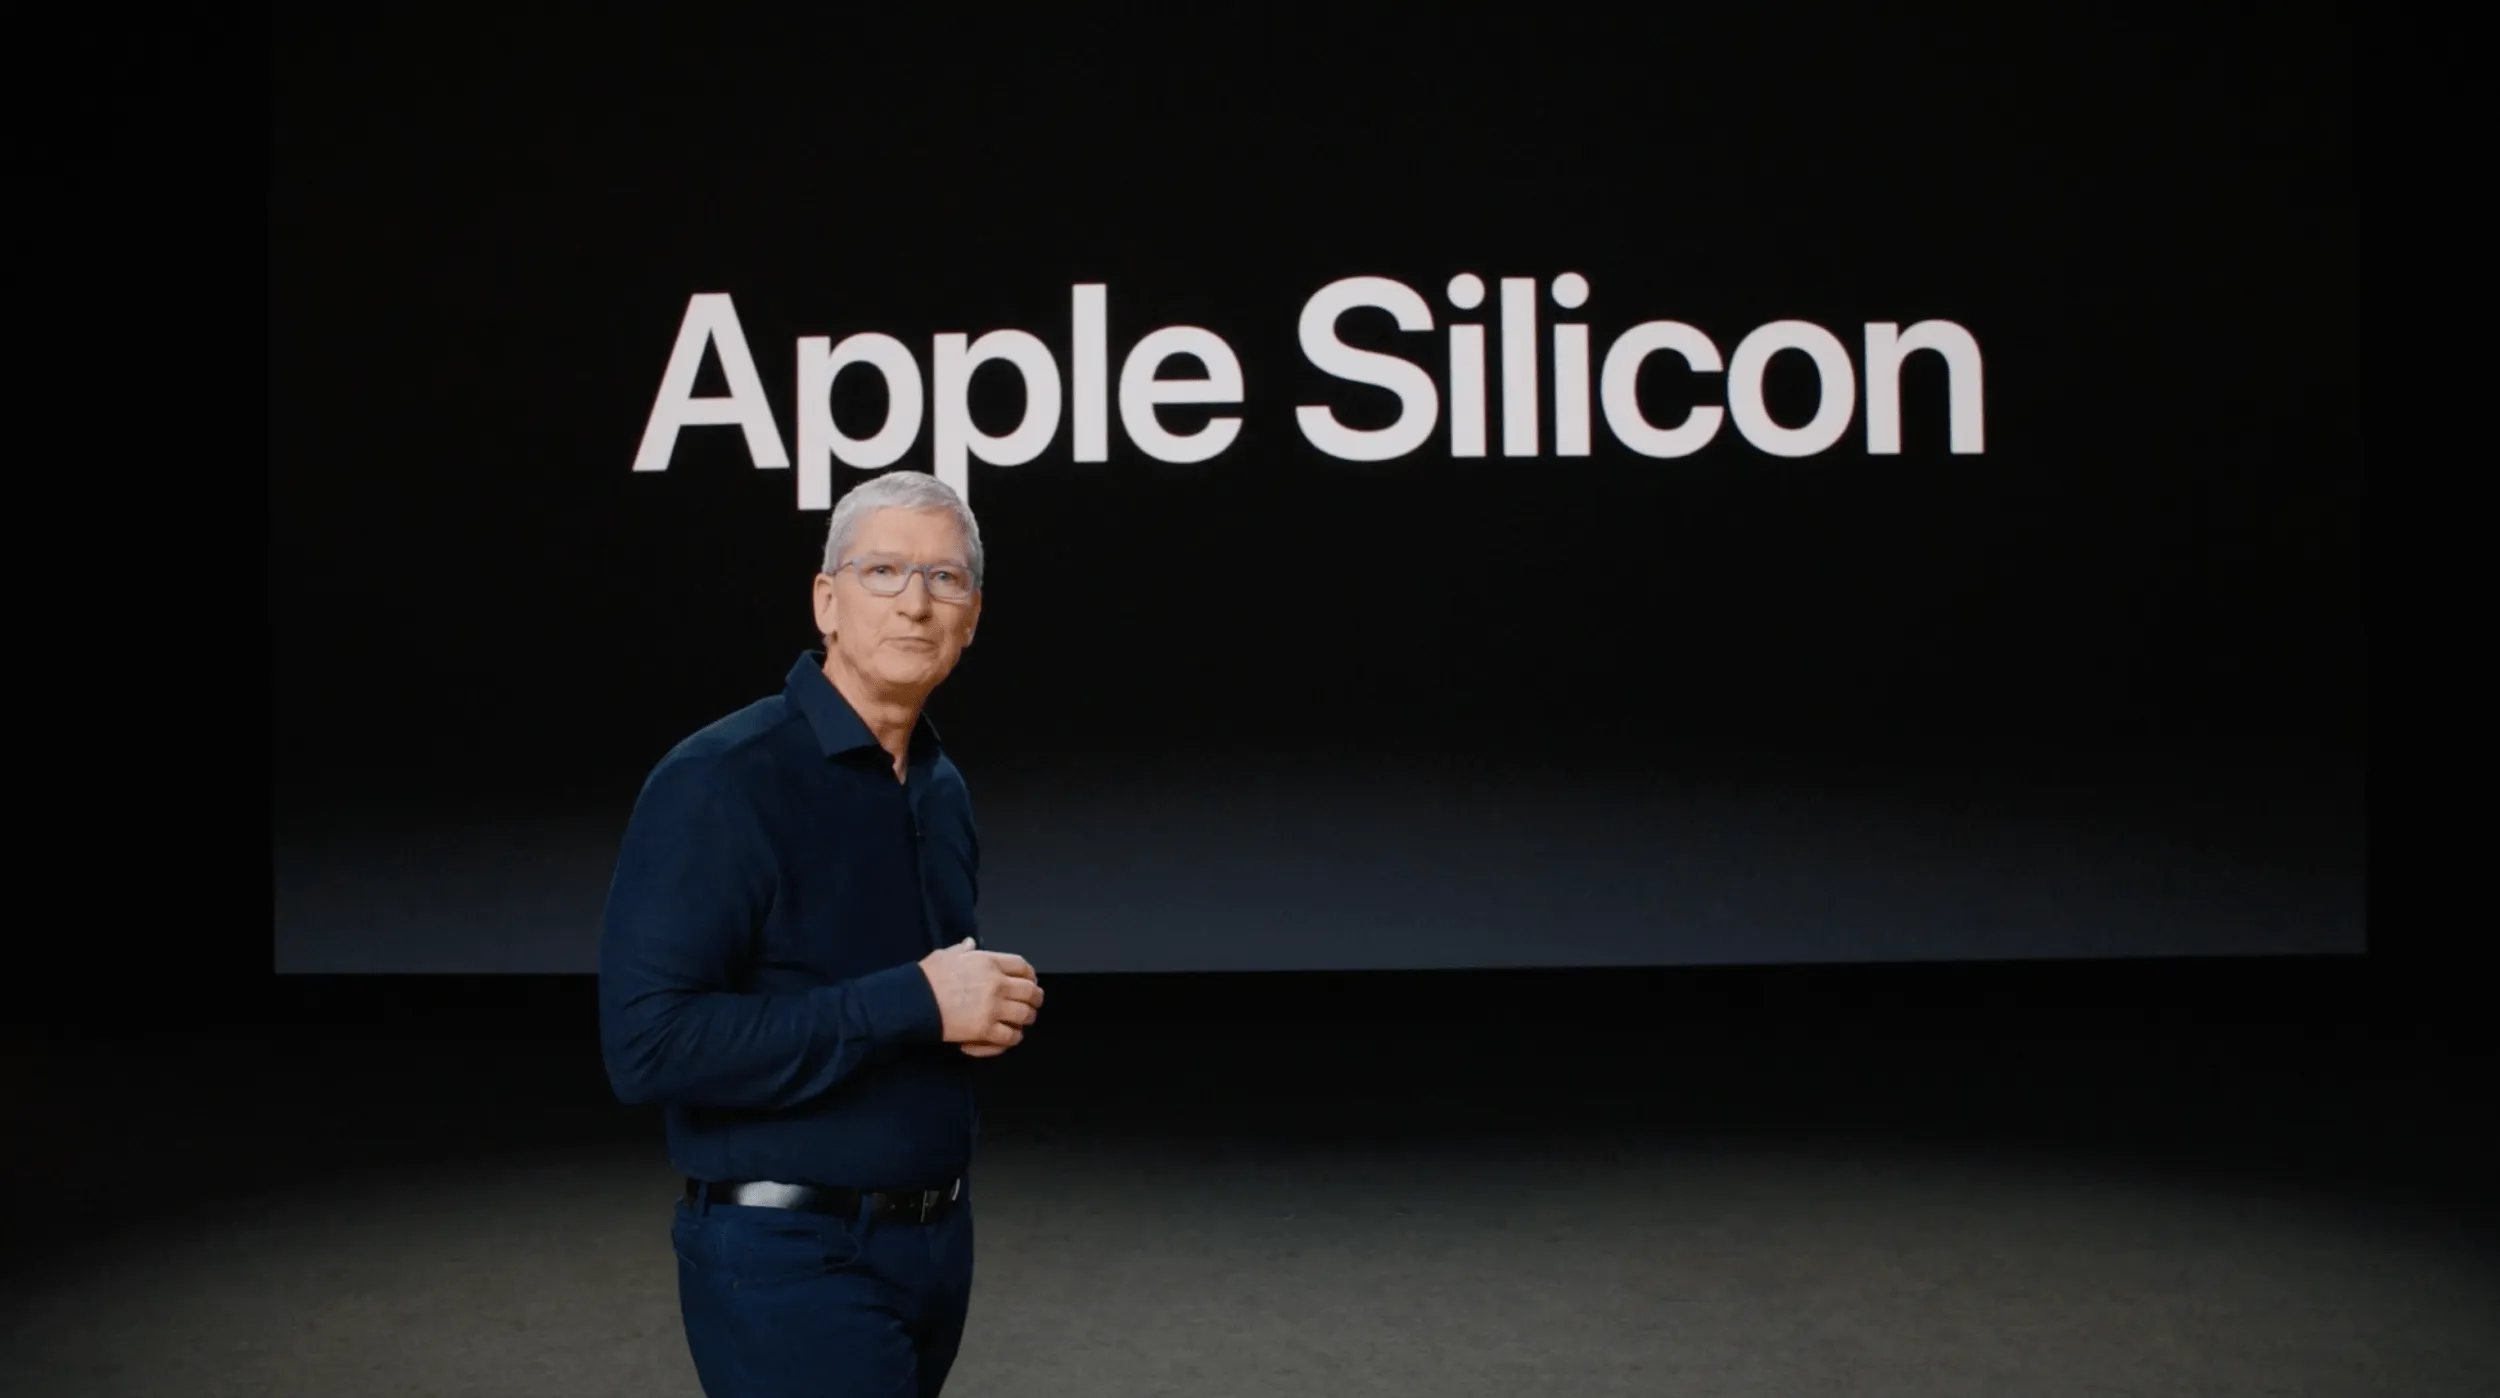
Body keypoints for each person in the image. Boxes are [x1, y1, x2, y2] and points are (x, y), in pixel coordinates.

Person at [597, 469, 1043, 1398]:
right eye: (883, 571)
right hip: (784, 1256)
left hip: (933, 1249)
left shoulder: (941, 788)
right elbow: (649, 1046)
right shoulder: (720, 781)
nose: (915, 603)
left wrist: (973, 1012)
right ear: (826, 602)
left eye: (945, 579)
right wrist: (916, 1002)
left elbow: (900, 1009)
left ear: (973, 617)